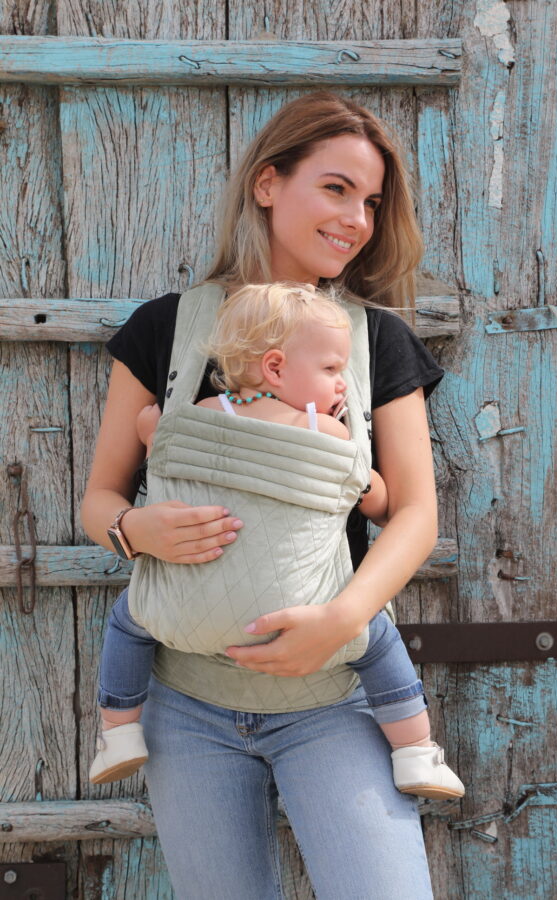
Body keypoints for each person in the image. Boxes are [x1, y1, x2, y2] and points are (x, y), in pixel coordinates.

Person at [81, 91, 453, 899]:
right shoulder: (166, 330)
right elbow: (99, 499)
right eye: (336, 188)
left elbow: (414, 513)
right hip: (185, 705)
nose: (357, 218)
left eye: (372, 201)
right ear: (266, 184)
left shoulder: (374, 339)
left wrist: (342, 622)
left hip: (336, 697)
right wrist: (134, 529)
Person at [88, 282, 464, 806]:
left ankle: (118, 732)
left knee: (130, 619)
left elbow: (153, 429)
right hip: (306, 616)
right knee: (376, 638)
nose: (342, 385)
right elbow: (378, 499)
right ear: (276, 368)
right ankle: (417, 749)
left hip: (191, 618)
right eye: (333, 370)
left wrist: (150, 462)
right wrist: (363, 473)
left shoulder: (202, 413)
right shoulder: (327, 433)